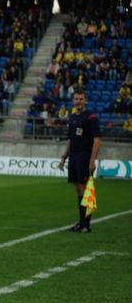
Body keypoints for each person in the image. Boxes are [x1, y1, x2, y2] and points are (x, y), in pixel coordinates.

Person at [58, 90, 101, 233]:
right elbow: (70, 139)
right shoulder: (71, 118)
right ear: (73, 101)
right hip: (74, 157)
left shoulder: (91, 118)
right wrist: (64, 158)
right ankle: (81, 222)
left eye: (81, 99)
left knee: (85, 189)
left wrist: (92, 160)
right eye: (76, 99)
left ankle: (86, 224)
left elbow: (97, 140)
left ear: (86, 100)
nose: (78, 101)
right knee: (77, 189)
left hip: (84, 156)